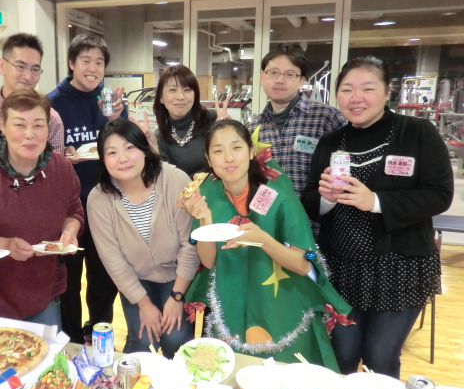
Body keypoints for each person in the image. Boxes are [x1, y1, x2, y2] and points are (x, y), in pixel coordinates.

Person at [301, 56, 454, 378]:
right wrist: (326, 199)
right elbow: (311, 199)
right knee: (341, 354)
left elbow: (439, 194)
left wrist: (376, 201)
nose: (356, 98)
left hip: (399, 268)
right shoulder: (331, 142)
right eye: (347, 90)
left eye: (367, 88)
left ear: (387, 92)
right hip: (342, 268)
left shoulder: (417, 133)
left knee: (380, 357)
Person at [180, 119, 351, 369]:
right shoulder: (207, 194)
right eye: (218, 151)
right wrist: (204, 219)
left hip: (281, 304)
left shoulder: (277, 193)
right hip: (232, 298)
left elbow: (303, 264)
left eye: (236, 147)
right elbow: (208, 261)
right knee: (236, 374)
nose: (228, 158)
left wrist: (263, 240)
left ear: (251, 151)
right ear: (208, 158)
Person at [0, 88, 83, 331]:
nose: (30, 135)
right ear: (2, 125)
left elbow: (73, 210)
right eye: (20, 124)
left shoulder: (61, 168)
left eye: (38, 125)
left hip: (44, 290)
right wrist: (5, 245)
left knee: (45, 353)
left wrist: (69, 232)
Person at [87, 119, 200, 357]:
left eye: (130, 148)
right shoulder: (98, 199)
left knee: (176, 339)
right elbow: (113, 261)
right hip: (136, 277)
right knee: (143, 342)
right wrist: (144, 304)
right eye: (112, 152)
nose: (123, 158)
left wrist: (177, 297)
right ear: (102, 159)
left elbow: (190, 244)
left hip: (177, 274)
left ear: (144, 148)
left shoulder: (175, 180)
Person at [47, 33, 127, 343]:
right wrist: (59, 155)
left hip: (106, 204)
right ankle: (70, 339)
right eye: (86, 61)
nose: (93, 69)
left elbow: (127, 148)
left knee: (104, 276)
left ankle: (98, 332)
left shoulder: (109, 102)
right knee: (68, 278)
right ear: (71, 63)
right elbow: (41, 154)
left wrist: (118, 119)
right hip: (67, 209)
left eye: (99, 63)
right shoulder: (53, 103)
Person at [248, 44, 346, 197]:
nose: (279, 80)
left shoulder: (327, 118)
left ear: (302, 81)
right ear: (262, 77)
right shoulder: (253, 128)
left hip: (317, 211)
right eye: (273, 72)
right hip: (270, 212)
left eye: (289, 74)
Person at [142, 64, 230, 177]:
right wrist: (154, 149)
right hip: (180, 189)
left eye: (187, 90)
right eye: (172, 90)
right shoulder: (159, 137)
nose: (180, 97)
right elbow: (164, 178)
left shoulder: (212, 119)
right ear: (161, 97)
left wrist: (227, 130)